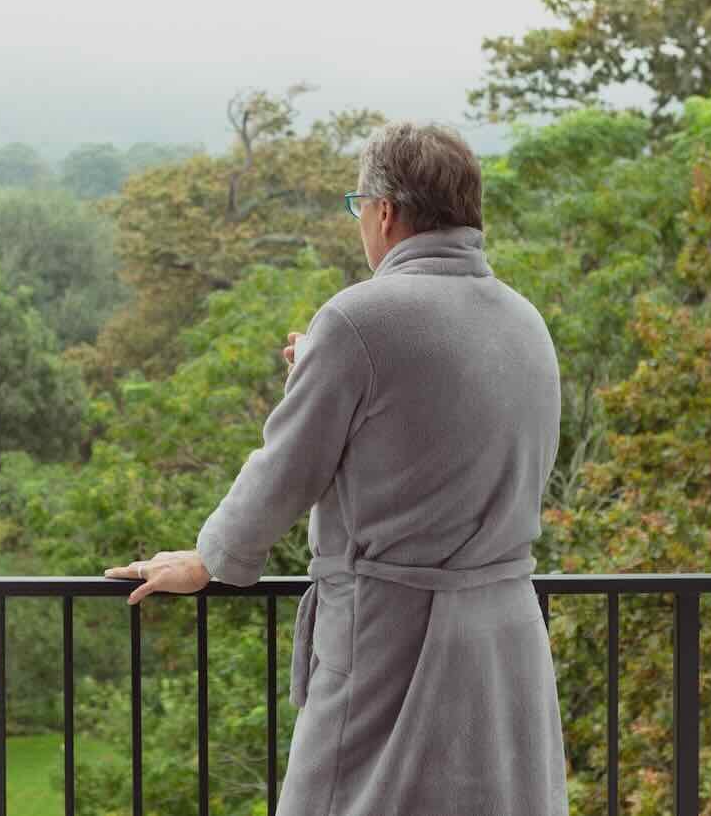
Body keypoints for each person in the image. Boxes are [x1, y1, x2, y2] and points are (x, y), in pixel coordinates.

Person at [104, 120, 568, 816]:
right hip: (504, 635)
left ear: (384, 211)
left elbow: (285, 467)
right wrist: (326, 366)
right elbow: (441, 435)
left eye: (359, 208)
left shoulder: (359, 321)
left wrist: (213, 557)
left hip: (393, 639)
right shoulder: (523, 320)